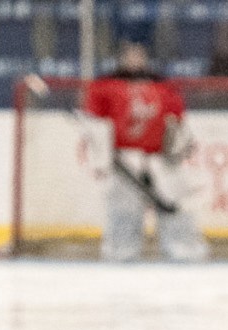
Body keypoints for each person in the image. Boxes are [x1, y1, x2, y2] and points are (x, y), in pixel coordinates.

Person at [83, 42, 208, 262]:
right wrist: (102, 158)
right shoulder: (104, 85)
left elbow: (177, 123)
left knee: (175, 206)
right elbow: (97, 125)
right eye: (130, 56)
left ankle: (184, 254)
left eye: (139, 55)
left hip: (161, 159)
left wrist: (177, 150)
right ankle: (119, 255)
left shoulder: (163, 86)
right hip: (124, 159)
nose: (135, 60)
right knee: (123, 211)